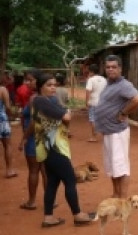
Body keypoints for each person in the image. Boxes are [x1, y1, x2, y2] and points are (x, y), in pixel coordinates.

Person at [25, 73, 94, 227]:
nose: (53, 88)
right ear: (40, 86)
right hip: (54, 148)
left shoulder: (44, 101)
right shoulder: (41, 101)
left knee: (52, 183)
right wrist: (67, 112)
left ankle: (48, 217)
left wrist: (66, 113)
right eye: (49, 85)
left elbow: (64, 117)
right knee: (69, 180)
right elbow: (67, 117)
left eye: (55, 85)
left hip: (48, 148)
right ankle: (77, 214)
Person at [95, 55, 138, 198]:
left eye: (114, 67)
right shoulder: (109, 84)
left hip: (117, 132)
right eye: (108, 67)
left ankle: (122, 200)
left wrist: (123, 112)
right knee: (112, 167)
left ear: (120, 68)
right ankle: (116, 194)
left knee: (121, 167)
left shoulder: (124, 84)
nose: (110, 69)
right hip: (108, 131)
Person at [18, 70, 47, 210]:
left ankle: (31, 201)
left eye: (30, 80)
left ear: (37, 81)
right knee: (45, 170)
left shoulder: (34, 99)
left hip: (33, 138)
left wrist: (24, 138)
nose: (27, 83)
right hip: (45, 137)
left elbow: (33, 122)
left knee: (33, 170)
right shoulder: (46, 97)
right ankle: (50, 200)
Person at [85, 64, 107, 142]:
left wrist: (86, 102)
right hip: (103, 102)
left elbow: (88, 91)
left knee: (93, 119)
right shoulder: (104, 79)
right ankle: (105, 135)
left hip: (93, 102)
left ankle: (94, 136)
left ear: (91, 71)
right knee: (102, 118)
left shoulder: (91, 80)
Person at [0, 84, 17, 178]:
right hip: (2, 120)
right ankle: (9, 170)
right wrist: (11, 116)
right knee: (7, 145)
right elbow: (8, 107)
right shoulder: (2, 89)